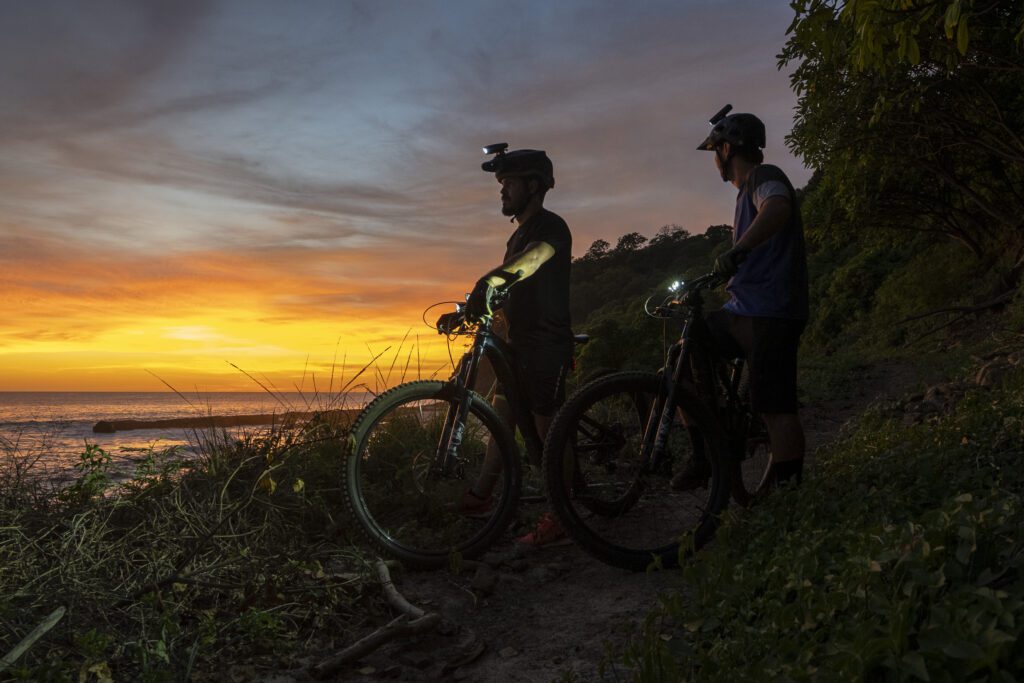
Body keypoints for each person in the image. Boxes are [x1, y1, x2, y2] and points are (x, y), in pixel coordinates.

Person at [442, 146, 574, 545]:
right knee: (501, 416)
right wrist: (467, 308)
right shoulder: (516, 234)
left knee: (549, 430)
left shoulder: (550, 228)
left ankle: (564, 515)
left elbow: (532, 262)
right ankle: (483, 494)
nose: (502, 191)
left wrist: (490, 280)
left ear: (533, 186)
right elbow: (505, 287)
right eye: (501, 184)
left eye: (509, 184)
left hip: (545, 342)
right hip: (515, 342)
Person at [673, 109, 809, 491]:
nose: (714, 160)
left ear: (727, 148)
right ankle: (706, 451)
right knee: (682, 354)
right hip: (743, 310)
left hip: (772, 312)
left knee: (775, 406)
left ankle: (786, 491)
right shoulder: (743, 194)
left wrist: (739, 249)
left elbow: (778, 206)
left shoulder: (763, 179)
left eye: (715, 151)